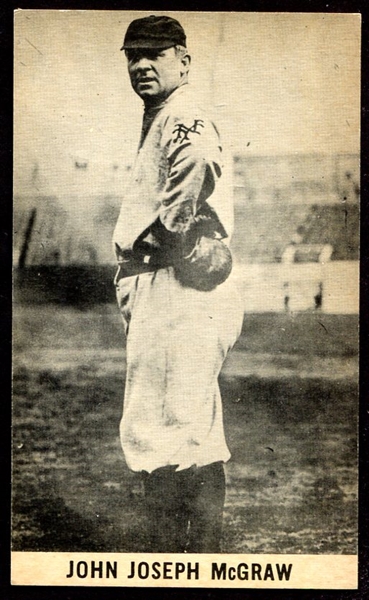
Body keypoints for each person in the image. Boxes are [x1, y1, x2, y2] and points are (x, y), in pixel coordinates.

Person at [112, 15, 243, 553]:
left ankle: (171, 563)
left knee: (160, 433)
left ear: (183, 61)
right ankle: (201, 560)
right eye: (132, 57)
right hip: (174, 288)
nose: (141, 64)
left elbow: (196, 162)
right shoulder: (164, 113)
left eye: (156, 54)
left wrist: (170, 233)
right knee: (192, 427)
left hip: (174, 286)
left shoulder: (182, 113)